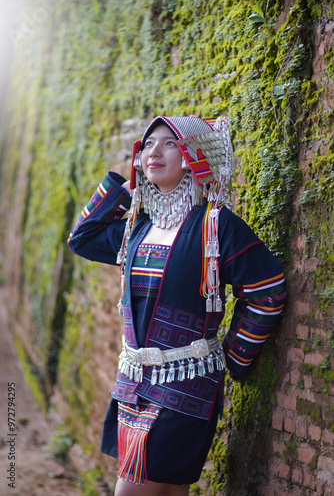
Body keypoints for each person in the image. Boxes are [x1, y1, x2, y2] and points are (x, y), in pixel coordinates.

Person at [67, 115, 286, 496]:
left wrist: (234, 356)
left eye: (168, 143)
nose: (154, 150)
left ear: (190, 156)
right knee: (168, 492)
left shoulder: (216, 227)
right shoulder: (135, 227)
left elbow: (268, 290)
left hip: (186, 387)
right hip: (132, 385)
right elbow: (82, 238)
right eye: (148, 144)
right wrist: (120, 186)